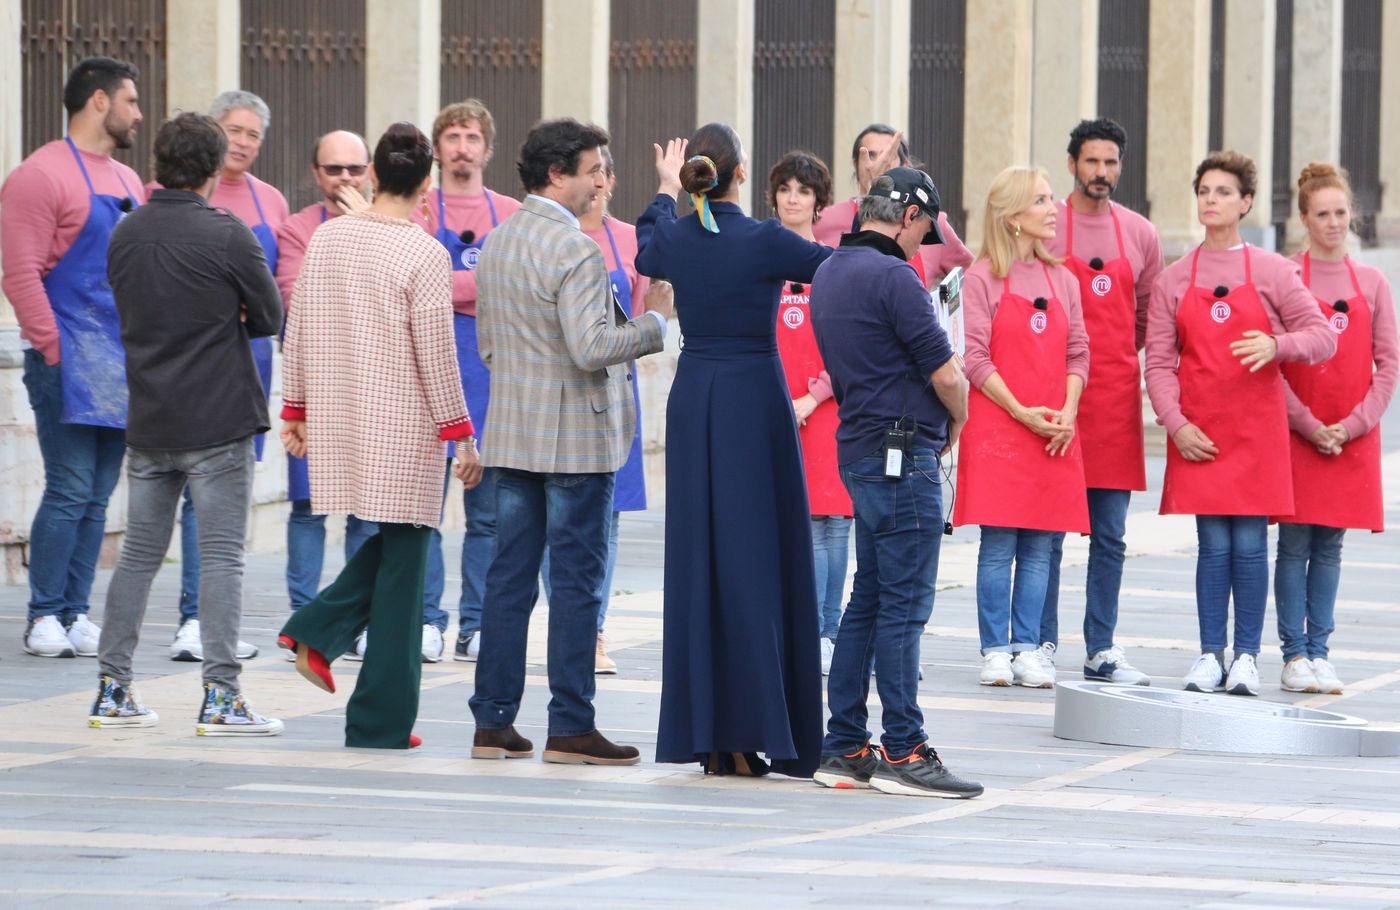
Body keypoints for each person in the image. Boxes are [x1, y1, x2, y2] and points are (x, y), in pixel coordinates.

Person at [468, 118, 668, 766]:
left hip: (513, 431)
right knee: (577, 582)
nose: (601, 180)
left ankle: (493, 722)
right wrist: (653, 325)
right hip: (577, 440)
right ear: (558, 175)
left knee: (508, 580)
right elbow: (591, 348)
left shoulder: (498, 241)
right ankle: (571, 725)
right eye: (593, 169)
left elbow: (490, 345)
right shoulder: (577, 249)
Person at [277, 122, 482, 750]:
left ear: (372, 177)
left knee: (398, 552)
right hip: (406, 423)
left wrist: (295, 409)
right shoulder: (424, 252)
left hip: (342, 414)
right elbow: (437, 355)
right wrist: (463, 435)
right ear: (425, 182)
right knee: (406, 564)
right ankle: (378, 717)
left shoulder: (329, 238)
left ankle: (317, 633)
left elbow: (300, 325)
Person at [638, 125, 829, 779]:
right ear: (741, 173)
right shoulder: (764, 239)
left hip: (695, 396)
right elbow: (837, 270)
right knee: (756, 560)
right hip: (754, 396)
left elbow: (647, 249)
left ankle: (712, 733)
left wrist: (667, 192)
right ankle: (760, 727)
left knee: (701, 560)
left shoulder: (674, 236)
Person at [93, 112, 283, 733]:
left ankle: (113, 690)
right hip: (218, 417)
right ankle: (222, 697)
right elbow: (269, 316)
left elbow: (127, 305)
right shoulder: (229, 234)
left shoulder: (125, 233)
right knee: (222, 557)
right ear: (211, 169)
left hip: (150, 415)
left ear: (158, 165)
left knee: (140, 556)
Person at [808, 166, 982, 798]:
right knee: (905, 608)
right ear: (908, 216)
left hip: (858, 449)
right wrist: (959, 419)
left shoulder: (830, 270)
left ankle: (845, 744)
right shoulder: (894, 277)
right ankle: (905, 749)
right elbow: (945, 373)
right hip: (904, 453)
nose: (923, 244)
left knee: (869, 599)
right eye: (924, 230)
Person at [1145, 150, 1336, 696]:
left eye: (1224, 192)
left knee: (1250, 544)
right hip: (1199, 432)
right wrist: (1176, 424)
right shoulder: (1174, 279)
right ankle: (1210, 654)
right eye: (1204, 191)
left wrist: (1278, 343)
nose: (1211, 200)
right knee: (1212, 545)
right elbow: (1158, 361)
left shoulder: (1275, 271)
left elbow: (1323, 334)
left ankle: (1247, 657)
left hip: (1257, 432)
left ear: (1246, 202)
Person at [1, 56, 144, 659]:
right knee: (68, 487)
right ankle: (43, 615)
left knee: (99, 494)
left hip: (120, 361)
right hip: (65, 360)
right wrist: (54, 351)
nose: (139, 113)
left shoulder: (130, 182)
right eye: (131, 101)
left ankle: (77, 610)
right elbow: (20, 271)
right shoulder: (39, 174)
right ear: (100, 102)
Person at [953, 166, 1090, 689]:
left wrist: (1068, 410)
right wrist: (1021, 411)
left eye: (1051, 198)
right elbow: (975, 357)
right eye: (1041, 200)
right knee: (999, 543)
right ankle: (995, 649)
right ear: (1012, 218)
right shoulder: (982, 278)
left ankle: (1029, 647)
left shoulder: (1066, 279)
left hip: (1054, 429)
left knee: (1039, 545)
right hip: (1000, 430)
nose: (1053, 208)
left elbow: (1079, 352)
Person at [163, 90, 287, 664]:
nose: (242, 142)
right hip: (191, 362)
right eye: (232, 130)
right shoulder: (165, 200)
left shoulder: (271, 203)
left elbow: (278, 292)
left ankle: (215, 619)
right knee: (196, 499)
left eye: (253, 134)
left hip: (251, 366)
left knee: (227, 505)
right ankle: (194, 619)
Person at [1040, 118, 1164, 685]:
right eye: (1092, 162)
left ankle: (1102, 647)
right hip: (1053, 399)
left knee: (1109, 534)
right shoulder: (1044, 226)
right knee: (1046, 527)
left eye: (1111, 163)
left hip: (1114, 398)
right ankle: (1037, 640)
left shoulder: (1140, 233)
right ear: (1072, 164)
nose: (1102, 173)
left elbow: (1147, 316)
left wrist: (1109, 363)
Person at [541, 145, 673, 675]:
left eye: (603, 174)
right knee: (561, 517)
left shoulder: (626, 240)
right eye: (588, 174)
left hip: (618, 390)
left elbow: (650, 311)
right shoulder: (558, 239)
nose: (596, 184)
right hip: (565, 390)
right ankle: (566, 624)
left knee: (609, 518)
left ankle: (593, 632)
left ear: (613, 181)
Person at [1273, 163, 1397, 695]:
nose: (1333, 223)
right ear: (1304, 218)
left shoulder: (1371, 283)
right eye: (1321, 214)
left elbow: (1388, 365)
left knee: (1330, 547)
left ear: (1353, 216)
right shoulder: (1286, 277)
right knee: (1294, 544)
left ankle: (1320, 649)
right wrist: (1306, 424)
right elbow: (1273, 366)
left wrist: (1350, 426)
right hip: (1297, 434)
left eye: (1341, 213)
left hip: (1351, 438)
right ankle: (1293, 654)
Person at [412, 99, 522, 664]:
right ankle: (428, 620)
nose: (461, 146)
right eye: (452, 136)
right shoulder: (417, 208)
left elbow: (510, 285)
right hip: (424, 378)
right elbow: (410, 282)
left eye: (471, 137)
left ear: (487, 148)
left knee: (487, 517)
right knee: (425, 509)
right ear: (437, 148)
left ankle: (474, 624)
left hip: (490, 380)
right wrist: (472, 284)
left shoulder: (509, 212)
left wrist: (446, 283)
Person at [274, 130, 380, 632]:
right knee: (308, 508)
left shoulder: (387, 225)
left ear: (371, 173)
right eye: (333, 169)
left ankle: (353, 620)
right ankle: (303, 616)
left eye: (354, 169)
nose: (344, 179)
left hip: (377, 388)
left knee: (367, 510)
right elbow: (297, 300)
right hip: (316, 390)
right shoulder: (298, 230)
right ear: (316, 174)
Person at [768, 150, 852, 676]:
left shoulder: (832, 265)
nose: (794, 198)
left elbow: (844, 344)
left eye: (804, 190)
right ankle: (794, 628)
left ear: (819, 202)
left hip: (826, 410)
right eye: (785, 189)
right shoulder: (761, 259)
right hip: (772, 409)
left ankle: (828, 631)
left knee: (833, 524)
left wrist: (813, 396)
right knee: (789, 524)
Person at [813, 123, 973, 288]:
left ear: (904, 165)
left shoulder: (930, 224)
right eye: (872, 155)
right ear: (855, 164)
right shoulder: (824, 220)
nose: (880, 164)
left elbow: (971, 279)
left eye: (888, 156)